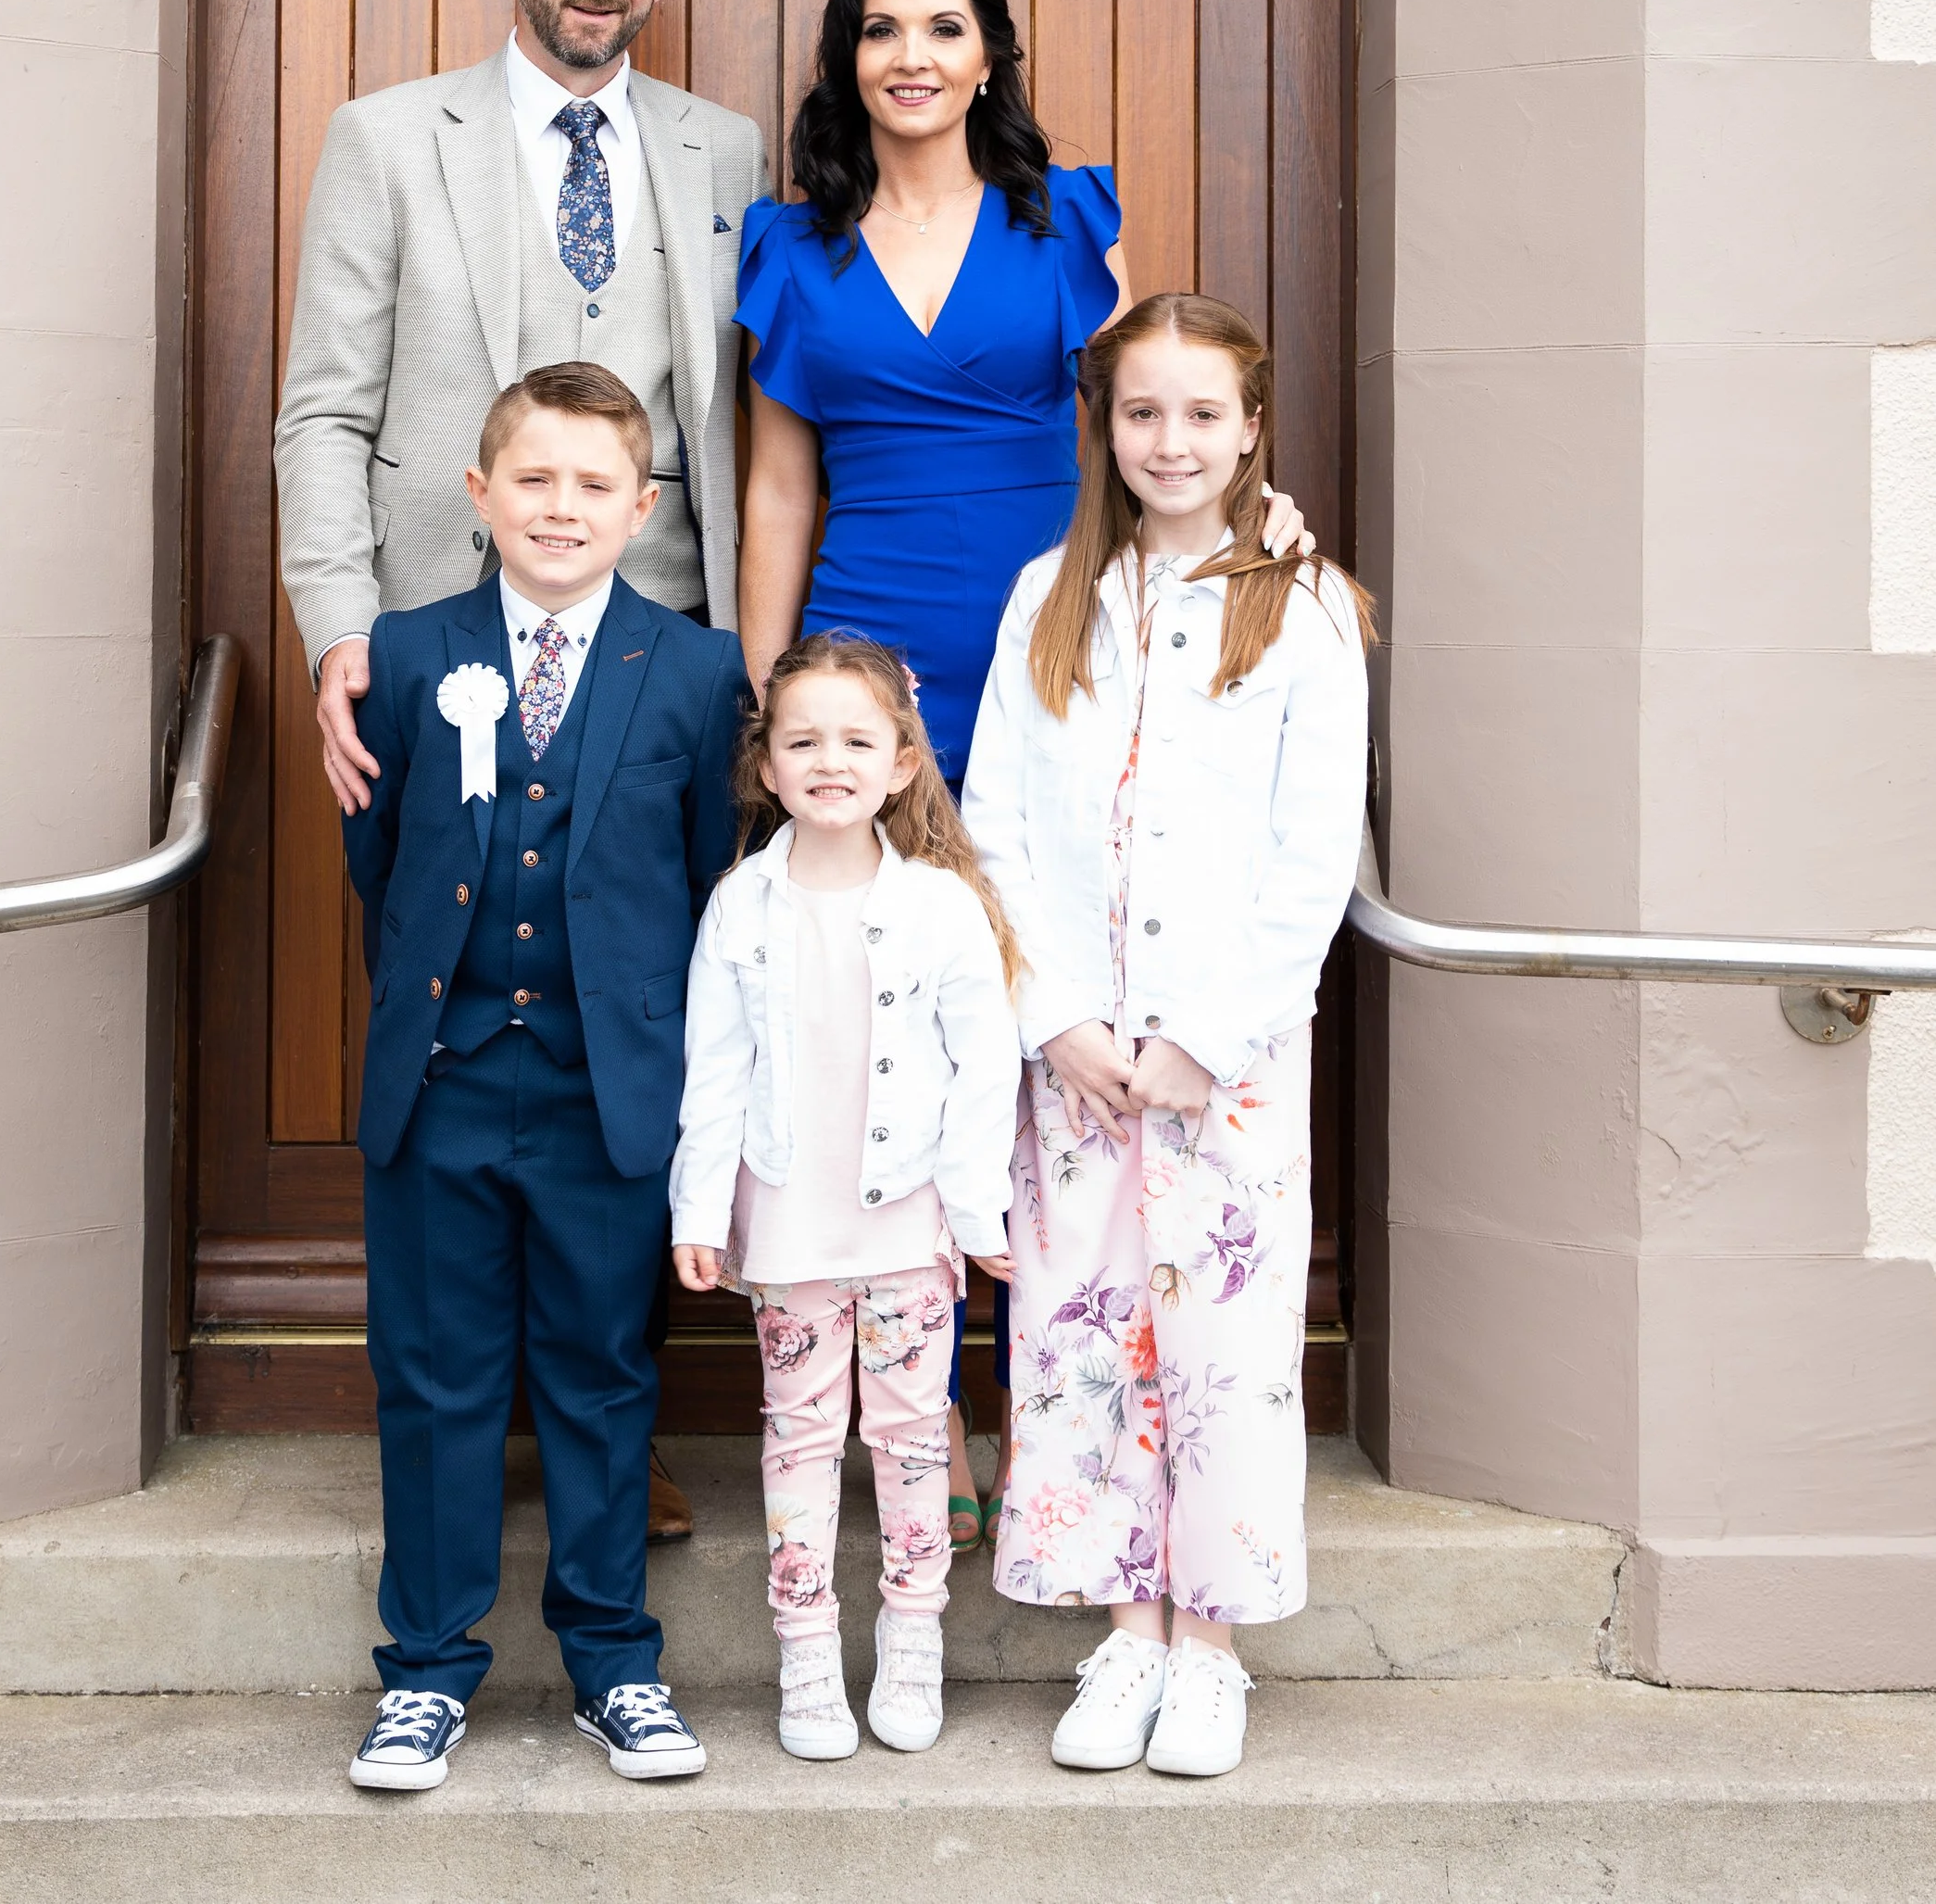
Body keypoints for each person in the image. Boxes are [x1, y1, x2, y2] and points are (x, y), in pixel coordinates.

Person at [732, 0, 1310, 1542]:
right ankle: (868, 1392)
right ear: (848, 62)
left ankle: (1008, 1406)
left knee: (1018, 1045)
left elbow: (1156, 433)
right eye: (879, 30)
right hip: (869, 674)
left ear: (990, 55)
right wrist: (775, 695)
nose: (910, 54)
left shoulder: (1065, 226)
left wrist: (1260, 542)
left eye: (943, 25)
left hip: (1053, 668)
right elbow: (781, 485)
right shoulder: (792, 245)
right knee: (867, 1031)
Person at [277, 0, 764, 1543]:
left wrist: (749, 665)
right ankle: (459, 1440)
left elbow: (743, 433)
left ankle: (597, 1443)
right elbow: (326, 408)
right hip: (436, 663)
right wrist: (343, 628)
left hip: (658, 675)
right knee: (453, 1014)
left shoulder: (725, 150)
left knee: (635, 1024)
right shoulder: (387, 139)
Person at [962, 294, 1372, 1782]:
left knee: (1218, 1345)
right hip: (1077, 1056)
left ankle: (1210, 1649)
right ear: (1107, 427)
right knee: (1086, 1338)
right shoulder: (1051, 598)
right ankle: (1128, 1627)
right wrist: (1054, 1013)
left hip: (1227, 1066)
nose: (1174, 440)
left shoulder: (1304, 610)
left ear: (1253, 425)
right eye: (1145, 413)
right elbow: (994, 818)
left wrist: (1210, 1035)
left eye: (1205, 413)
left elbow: (1309, 853)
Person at [340, 362, 751, 1794]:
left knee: (599, 1374)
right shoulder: (405, 652)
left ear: (642, 508)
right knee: (437, 1377)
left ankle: (614, 1662)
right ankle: (429, 1673)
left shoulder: (698, 670)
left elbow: (711, 883)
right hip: (441, 1084)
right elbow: (380, 867)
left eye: (593, 486)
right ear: (480, 493)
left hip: (607, 1090)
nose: (561, 508)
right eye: (534, 480)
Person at [670, 637, 1022, 1759]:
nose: (830, 760)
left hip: (908, 1222)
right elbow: (712, 1070)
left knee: (917, 1435)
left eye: (857, 739)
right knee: (803, 1433)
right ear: (765, 767)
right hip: (788, 1224)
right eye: (802, 739)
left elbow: (985, 1073)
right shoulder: (740, 906)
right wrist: (696, 1211)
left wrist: (975, 1215)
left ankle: (912, 1638)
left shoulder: (942, 907)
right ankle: (807, 1650)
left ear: (904, 760)